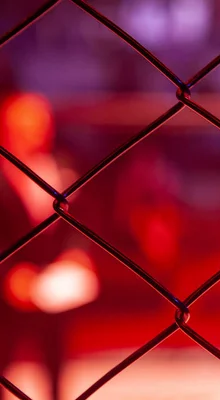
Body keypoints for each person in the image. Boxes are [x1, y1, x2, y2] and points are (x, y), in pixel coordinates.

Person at [0, 84, 98, 400]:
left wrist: (75, 256)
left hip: (53, 286)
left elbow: (78, 224)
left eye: (41, 123)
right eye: (25, 124)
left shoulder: (62, 168)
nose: (36, 132)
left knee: (56, 366)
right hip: (8, 291)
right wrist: (9, 275)